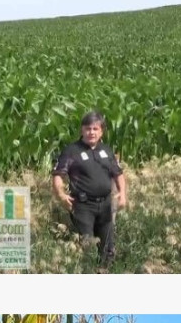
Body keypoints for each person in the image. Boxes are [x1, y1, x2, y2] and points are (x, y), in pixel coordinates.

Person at [51, 113, 126, 269]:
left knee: (107, 247)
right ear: (82, 131)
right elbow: (58, 175)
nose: (91, 132)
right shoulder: (72, 151)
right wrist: (60, 194)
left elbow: (118, 174)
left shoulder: (106, 150)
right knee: (87, 247)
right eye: (87, 129)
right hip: (83, 206)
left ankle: (104, 272)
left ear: (101, 132)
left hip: (105, 205)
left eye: (95, 129)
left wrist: (122, 194)